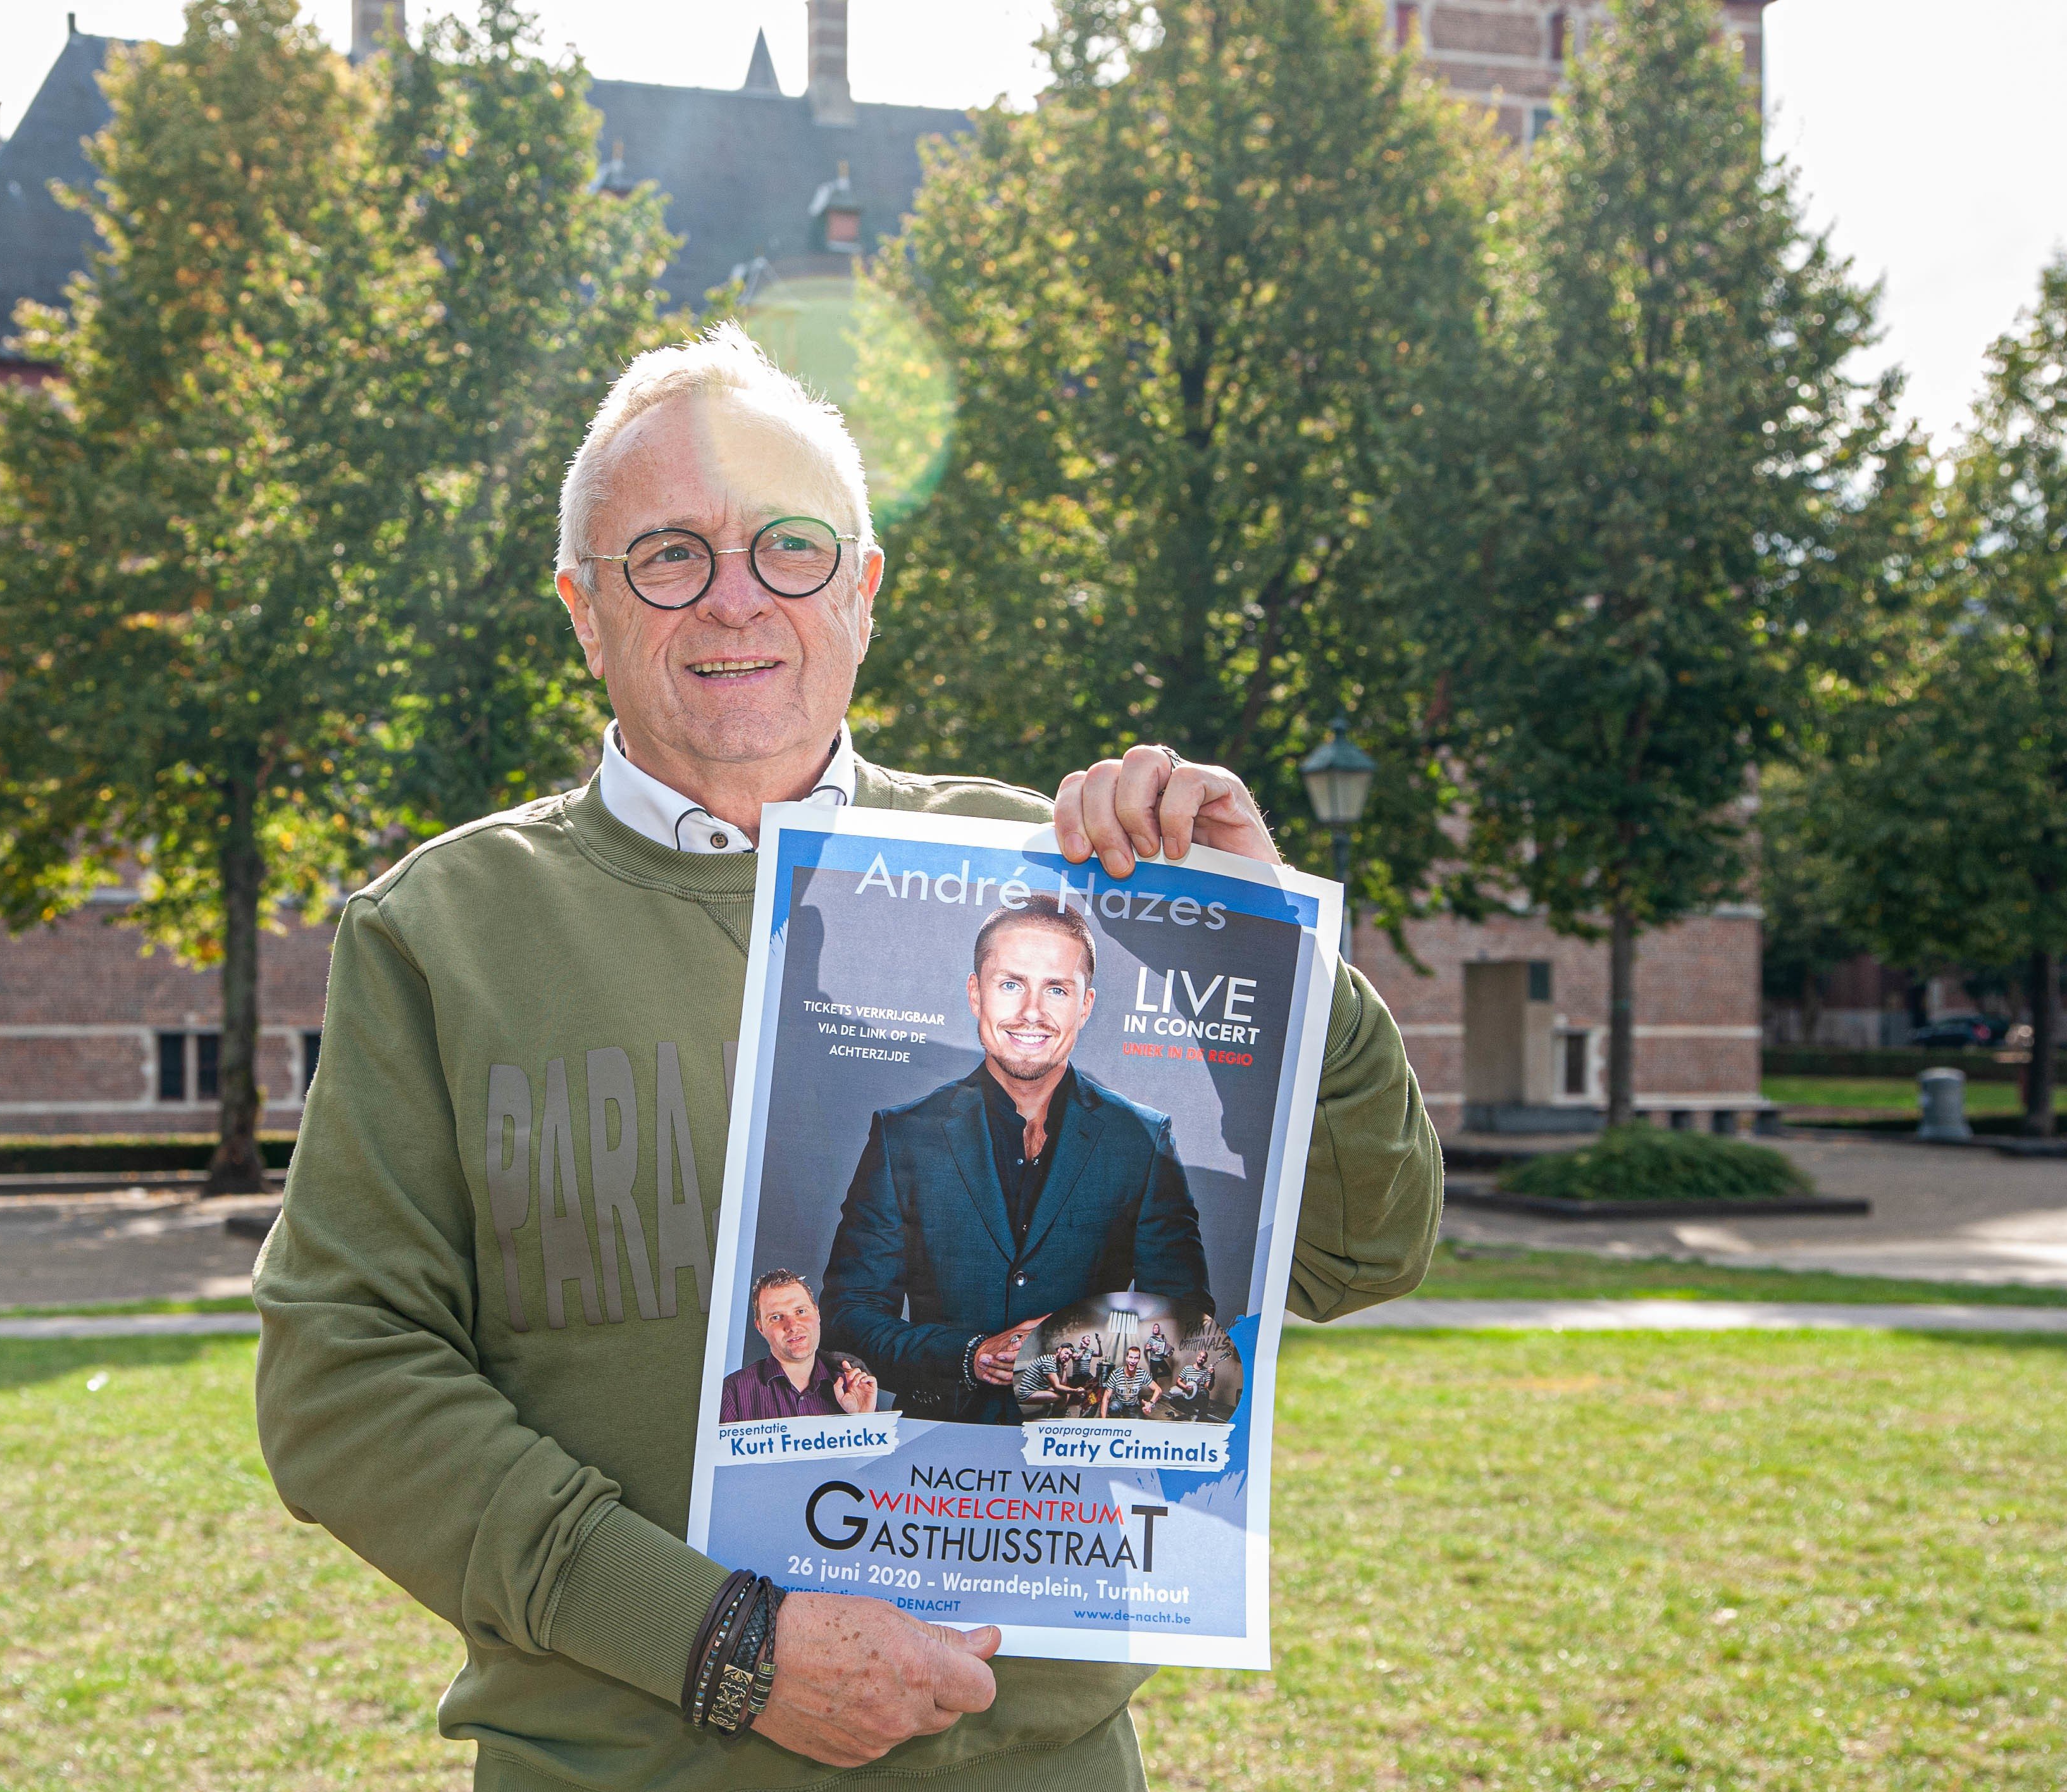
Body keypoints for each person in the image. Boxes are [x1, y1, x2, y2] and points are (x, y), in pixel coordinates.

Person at [252, 323, 1444, 1792]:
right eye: (670, 553)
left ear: (864, 591)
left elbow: (1361, 1252)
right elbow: (344, 1382)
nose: (738, 597)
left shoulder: (1072, 879)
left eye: (792, 546)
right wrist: (726, 1642)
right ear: (583, 606)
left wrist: (1275, 951)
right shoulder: (443, 932)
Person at [821, 899, 1210, 1423]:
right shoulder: (903, 1135)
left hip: (1082, 1459)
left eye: (1056, 989)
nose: (1032, 1012)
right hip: (933, 1459)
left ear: (1086, 1004)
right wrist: (972, 1355)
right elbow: (848, 1318)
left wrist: (1076, 1340)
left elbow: (1189, 1327)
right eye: (1010, 984)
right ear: (975, 993)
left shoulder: (1141, 1140)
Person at [719, 1269, 880, 1422]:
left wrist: (864, 1420)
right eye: (776, 1317)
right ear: (761, 1328)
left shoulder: (853, 1387)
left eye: (801, 1312)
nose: (793, 1326)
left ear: (817, 1314)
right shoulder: (733, 1392)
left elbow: (884, 1451)